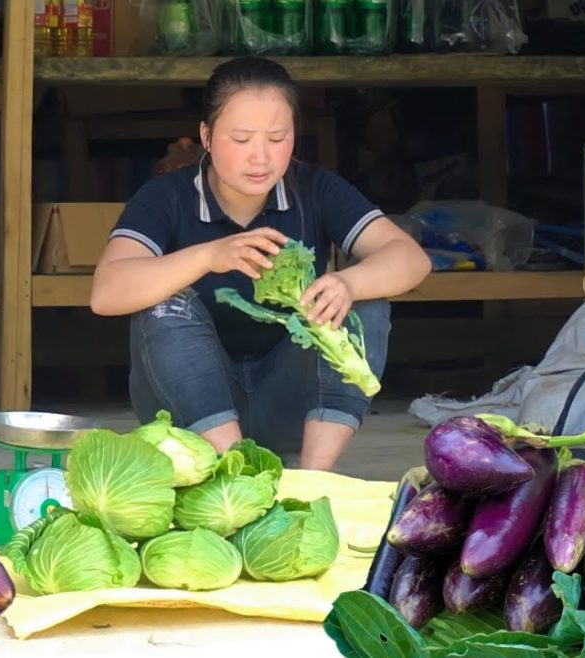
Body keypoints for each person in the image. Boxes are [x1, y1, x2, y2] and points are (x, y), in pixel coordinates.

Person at [90, 56, 431, 471]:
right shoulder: (166, 197)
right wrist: (208, 256)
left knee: (363, 303)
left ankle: (313, 480)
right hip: (189, 413)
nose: (261, 157)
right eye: (242, 139)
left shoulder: (315, 189)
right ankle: (239, 472)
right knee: (162, 302)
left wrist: (349, 283)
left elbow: (410, 258)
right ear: (207, 136)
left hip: (286, 403)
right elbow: (106, 292)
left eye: (276, 138)